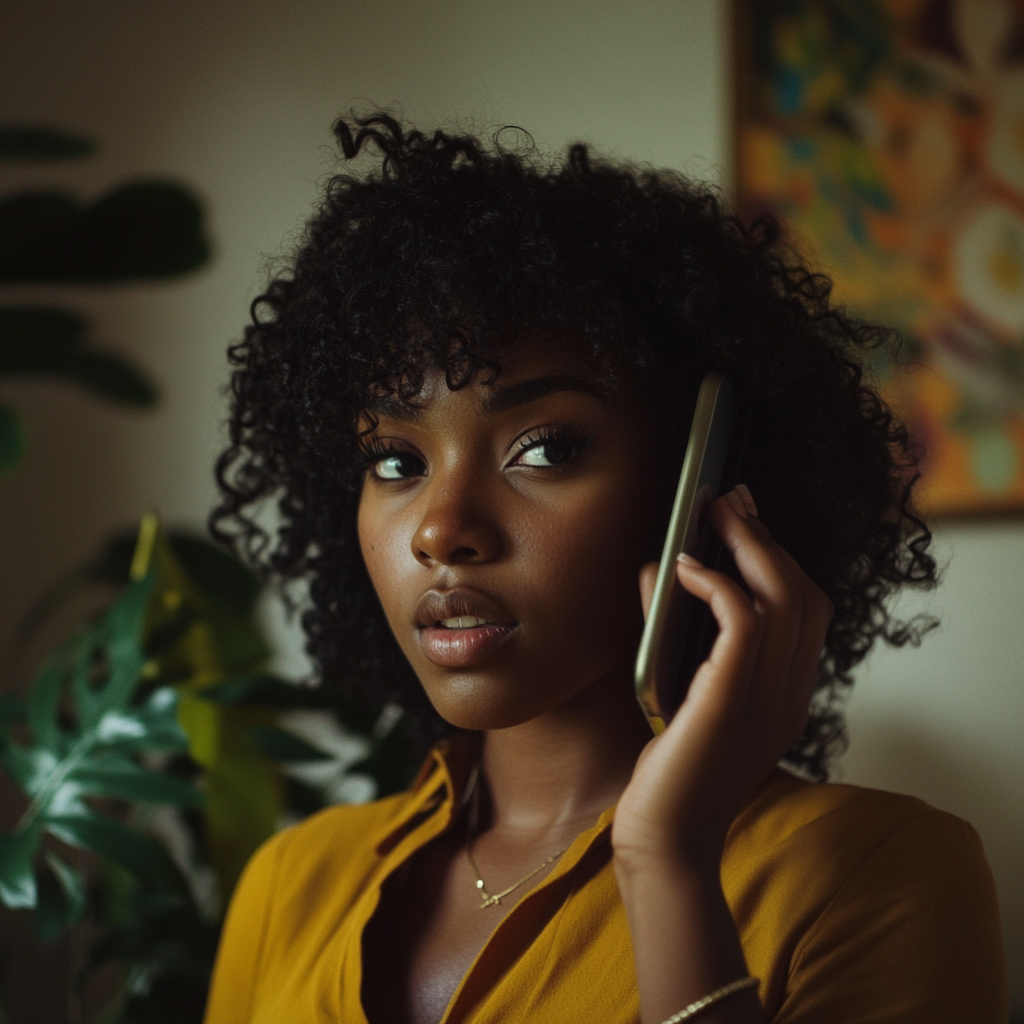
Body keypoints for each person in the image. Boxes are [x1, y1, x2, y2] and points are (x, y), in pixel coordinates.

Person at [203, 113, 1007, 1024]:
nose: (440, 530)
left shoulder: (873, 872)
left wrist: (667, 860)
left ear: (702, 486)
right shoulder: (291, 884)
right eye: (395, 461)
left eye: (544, 449)